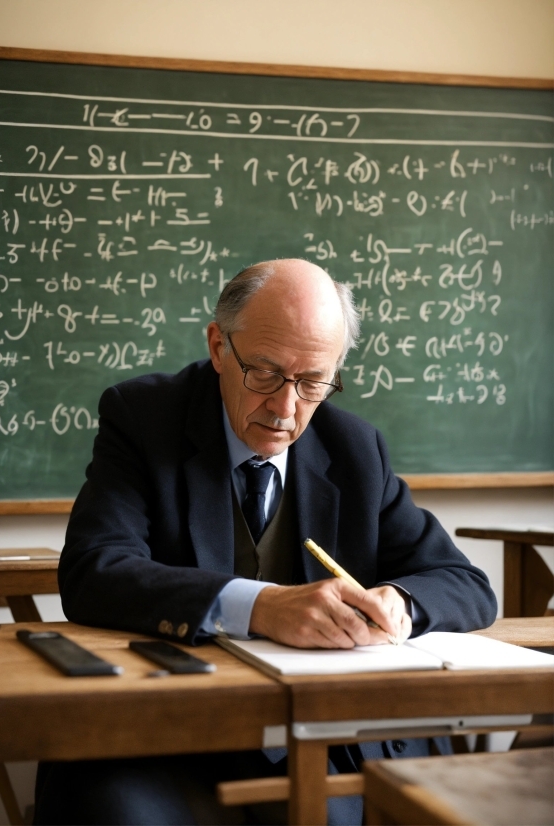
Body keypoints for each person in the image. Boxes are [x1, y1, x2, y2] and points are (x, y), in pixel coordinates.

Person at [35, 259, 497, 825]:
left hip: (320, 742)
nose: (285, 409)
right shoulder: (143, 418)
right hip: (169, 740)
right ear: (218, 347)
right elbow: (94, 569)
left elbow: (466, 584)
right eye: (265, 373)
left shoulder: (354, 449)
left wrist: (399, 603)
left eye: (312, 382)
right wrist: (259, 605)